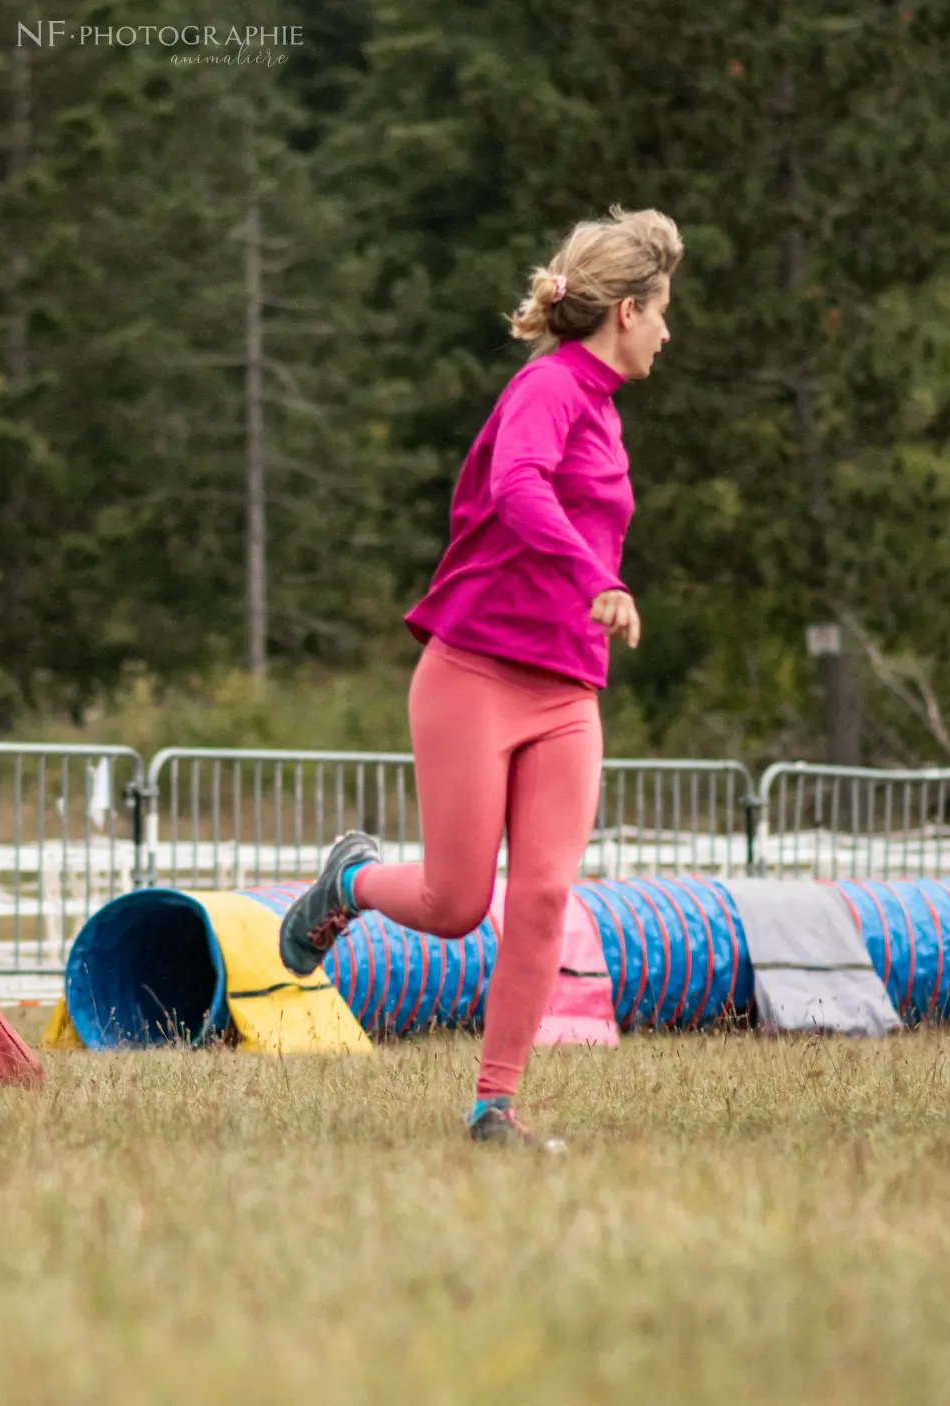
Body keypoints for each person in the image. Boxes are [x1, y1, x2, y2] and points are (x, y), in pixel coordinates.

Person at [278, 207, 683, 1149]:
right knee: (458, 908)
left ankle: (493, 1106)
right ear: (626, 312)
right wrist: (600, 579)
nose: (669, 332)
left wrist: (595, 590)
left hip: (566, 693)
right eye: (664, 312)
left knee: (543, 897)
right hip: (473, 675)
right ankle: (353, 879)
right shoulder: (547, 388)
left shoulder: (607, 411)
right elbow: (519, 487)